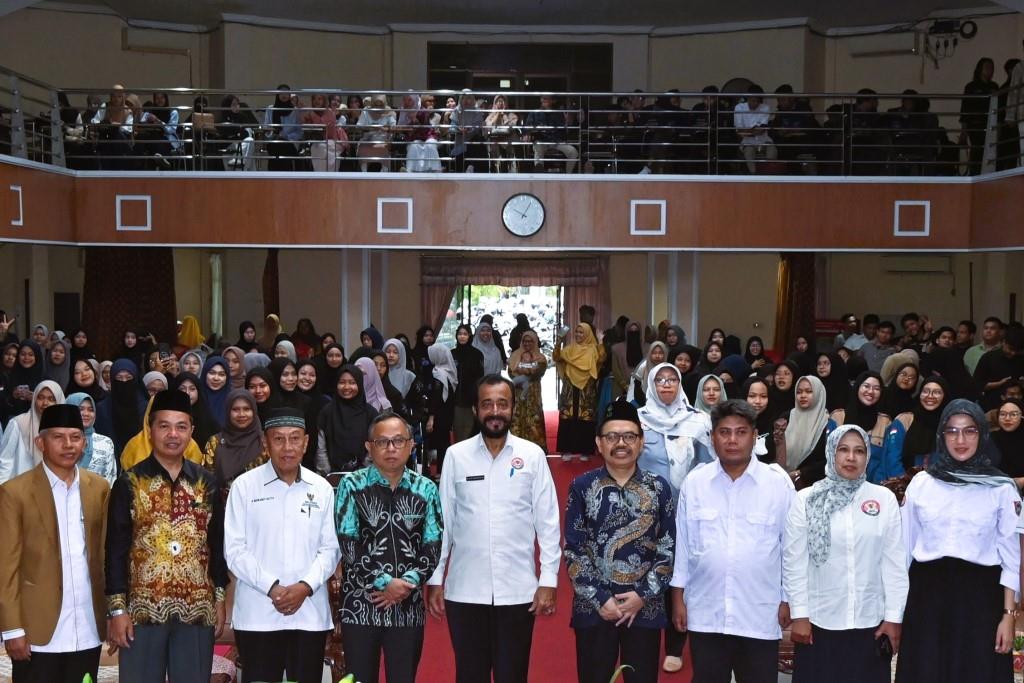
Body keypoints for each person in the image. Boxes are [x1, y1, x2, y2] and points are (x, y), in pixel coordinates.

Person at [427, 376, 561, 683]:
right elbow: (443, 522)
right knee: (469, 675)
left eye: (502, 403)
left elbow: (548, 524)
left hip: (518, 590)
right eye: (487, 404)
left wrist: (549, 580)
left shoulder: (532, 456)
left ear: (513, 408)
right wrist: (436, 578)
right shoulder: (456, 456)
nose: (495, 411)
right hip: (465, 591)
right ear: (475, 409)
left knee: (512, 675)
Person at [105, 390, 228, 683]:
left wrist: (219, 598)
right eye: (164, 426)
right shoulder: (129, 483)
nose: (173, 434)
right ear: (150, 429)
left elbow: (217, 544)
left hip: (197, 611)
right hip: (142, 612)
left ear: (191, 431)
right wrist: (117, 609)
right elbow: (115, 551)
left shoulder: (207, 483)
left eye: (181, 426)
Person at [895, 399, 1021, 682]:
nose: (960, 440)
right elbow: (904, 550)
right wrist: (895, 612)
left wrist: (1008, 615)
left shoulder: (1001, 488)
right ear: (941, 435)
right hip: (927, 597)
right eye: (952, 431)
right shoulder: (922, 483)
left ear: (982, 434)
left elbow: (1011, 558)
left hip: (980, 600)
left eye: (970, 431)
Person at [671, 399, 795, 683]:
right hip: (706, 610)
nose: (732, 440)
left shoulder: (777, 484)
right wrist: (678, 598)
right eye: (724, 432)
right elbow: (684, 546)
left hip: (759, 613)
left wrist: (789, 599)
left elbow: (790, 547)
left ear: (754, 436)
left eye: (741, 432)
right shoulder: (696, 482)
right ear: (713, 437)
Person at [783, 425, 908, 682]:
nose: (851, 457)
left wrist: (894, 618)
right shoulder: (806, 500)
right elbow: (794, 563)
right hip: (818, 622)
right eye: (843, 449)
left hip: (870, 622)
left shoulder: (883, 500)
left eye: (859, 451)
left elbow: (894, 563)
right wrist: (800, 615)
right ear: (831, 453)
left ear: (867, 456)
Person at [224, 407, 340, 683]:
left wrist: (304, 587)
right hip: (258, 614)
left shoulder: (321, 488)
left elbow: (331, 549)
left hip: (309, 614)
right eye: (278, 439)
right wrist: (272, 587)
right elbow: (235, 551)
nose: (287, 447)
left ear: (306, 442)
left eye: (295, 438)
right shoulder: (244, 486)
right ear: (266, 442)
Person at [565, 400, 675, 683]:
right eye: (612, 437)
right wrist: (601, 598)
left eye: (629, 436)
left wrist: (642, 595)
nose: (621, 443)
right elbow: (574, 550)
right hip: (593, 607)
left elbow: (668, 548)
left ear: (641, 443)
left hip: (644, 607)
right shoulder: (582, 487)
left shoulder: (659, 487)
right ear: (599, 444)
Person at [336, 411, 443, 683]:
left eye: (398, 441)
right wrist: (383, 582)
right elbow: (348, 542)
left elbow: (433, 544)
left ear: (411, 445)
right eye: (382, 442)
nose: (391, 448)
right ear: (369, 447)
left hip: (407, 607)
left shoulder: (426, 489)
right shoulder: (351, 485)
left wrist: (405, 584)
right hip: (361, 605)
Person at [635, 363, 714, 673]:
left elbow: (709, 469)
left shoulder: (698, 421)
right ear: (651, 386)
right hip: (647, 514)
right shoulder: (640, 420)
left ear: (680, 384)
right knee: (648, 573)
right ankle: (644, 639)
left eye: (672, 379)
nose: (666, 384)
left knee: (680, 579)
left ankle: (676, 644)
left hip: (687, 513)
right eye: (660, 380)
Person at [555, 323, 605, 462]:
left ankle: (585, 450)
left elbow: (602, 359)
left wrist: (601, 341)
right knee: (568, 417)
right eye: (576, 332)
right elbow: (556, 357)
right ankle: (566, 449)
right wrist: (559, 340)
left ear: (588, 334)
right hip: (570, 388)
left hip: (586, 389)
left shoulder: (593, 350)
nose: (578, 335)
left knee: (586, 417)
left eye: (581, 332)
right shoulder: (569, 349)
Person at [316, 364, 378, 474]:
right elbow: (321, 447)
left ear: (359, 384)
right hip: (331, 476)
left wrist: (362, 472)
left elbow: (374, 444)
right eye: (342, 382)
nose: (346, 387)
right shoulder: (327, 412)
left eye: (352, 382)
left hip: (364, 476)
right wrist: (327, 473)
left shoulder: (370, 413)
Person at [0, 380, 64, 484]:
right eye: (40, 397)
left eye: (51, 399)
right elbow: (5, 461)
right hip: (21, 489)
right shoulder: (18, 423)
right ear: (34, 399)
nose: (45, 403)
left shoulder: (65, 428)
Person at [781, 376, 835, 488]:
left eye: (809, 391)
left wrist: (800, 473)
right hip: (782, 483)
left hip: (813, 486)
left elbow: (830, 461)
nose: (803, 396)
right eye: (799, 392)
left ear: (819, 394)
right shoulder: (786, 418)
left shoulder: (829, 425)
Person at [507, 329, 547, 451]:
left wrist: (525, 372)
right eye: (525, 341)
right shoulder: (515, 355)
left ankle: (536, 448)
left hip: (533, 392)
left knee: (533, 417)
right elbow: (510, 371)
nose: (527, 344)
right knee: (517, 416)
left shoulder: (540, 358)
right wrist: (518, 376)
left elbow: (538, 373)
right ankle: (516, 447)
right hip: (519, 391)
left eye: (530, 341)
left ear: (535, 342)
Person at [65, 393, 117, 486]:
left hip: (96, 498)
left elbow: (110, 479)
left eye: (91, 410)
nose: (86, 414)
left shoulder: (105, 442)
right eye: (81, 409)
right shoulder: (60, 441)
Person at [451, 324, 484, 443]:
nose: (462, 337)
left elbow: (480, 378)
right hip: (456, 400)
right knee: (458, 432)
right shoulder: (452, 354)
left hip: (471, 400)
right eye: (460, 334)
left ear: (470, 336)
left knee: (470, 433)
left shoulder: (477, 354)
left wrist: (477, 400)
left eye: (465, 334)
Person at [993, 398, 1024, 486]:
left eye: (1013, 414)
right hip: (996, 490)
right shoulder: (991, 438)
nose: (1007, 418)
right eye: (1002, 414)